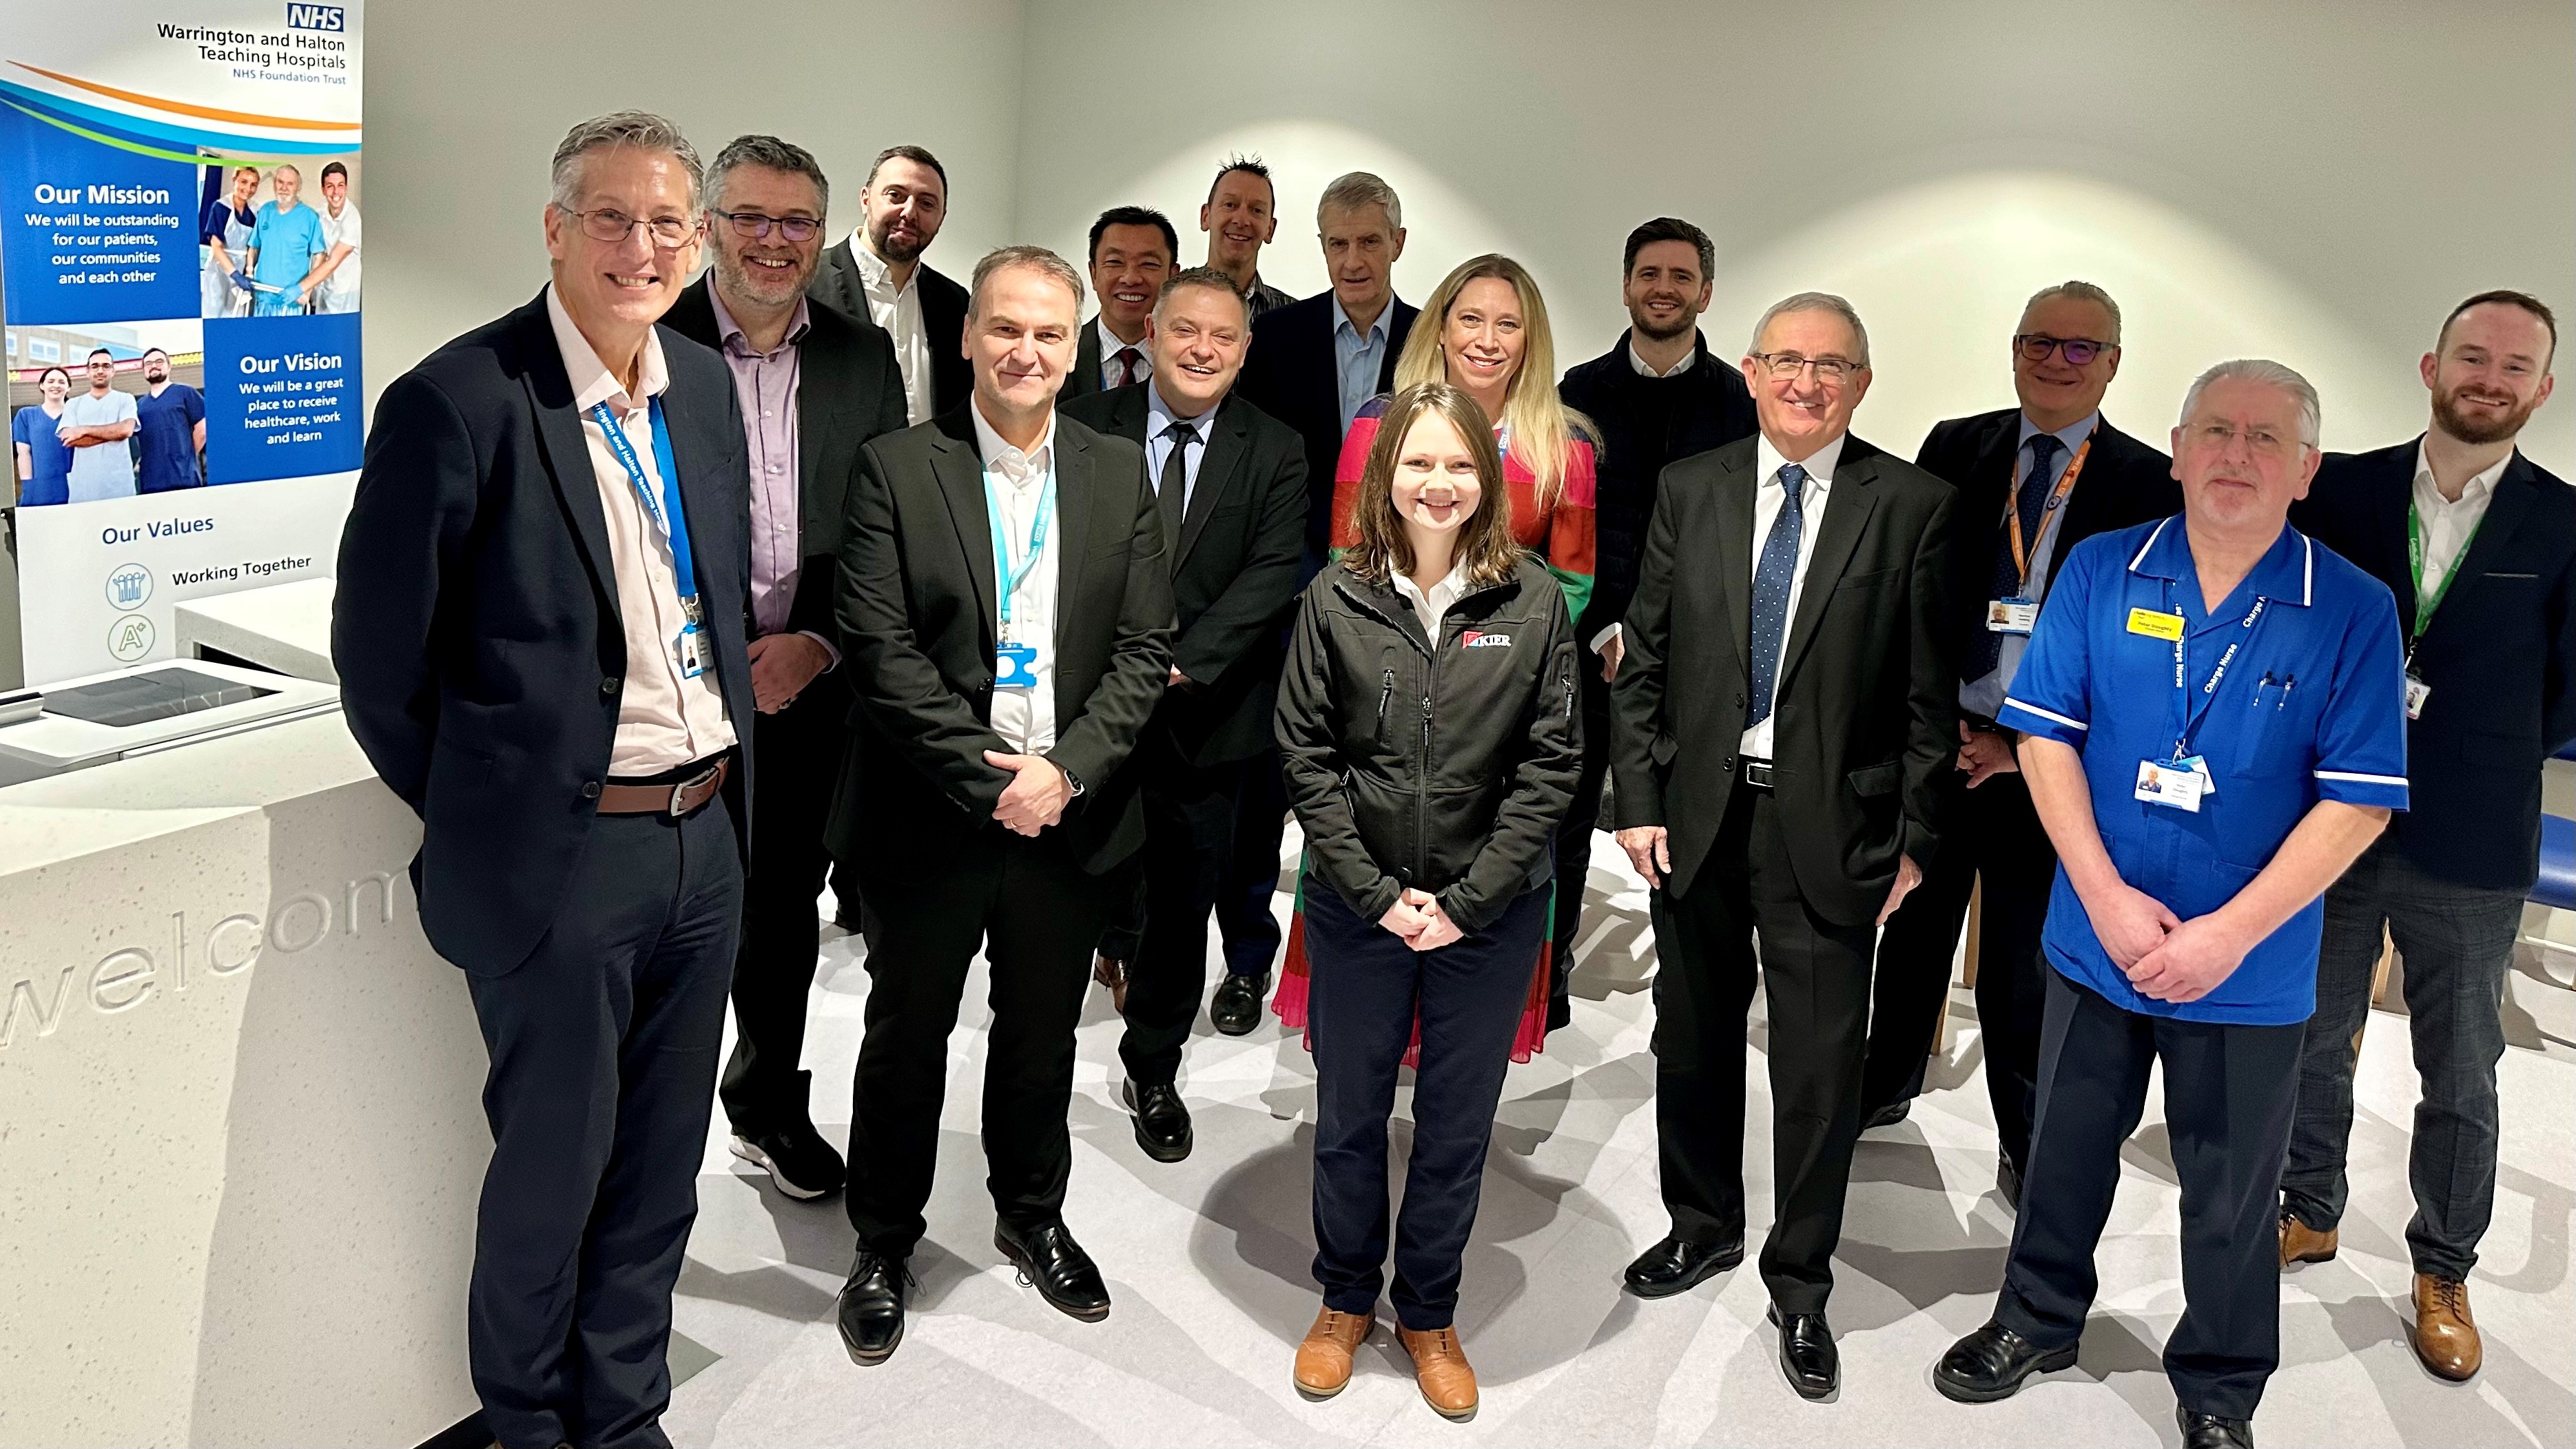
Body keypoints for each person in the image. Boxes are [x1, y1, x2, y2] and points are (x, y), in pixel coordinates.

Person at [331, 112, 754, 1449]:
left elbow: (716, 609)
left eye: (666, 222)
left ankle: (623, 1412)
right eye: (612, 218)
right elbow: (377, 659)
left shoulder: (700, 382)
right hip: (568, 861)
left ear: (695, 243)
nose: (641, 246)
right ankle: (526, 1426)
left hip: (706, 836)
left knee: (659, 1171)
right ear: (558, 229)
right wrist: (494, 803)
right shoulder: (459, 400)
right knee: (553, 1175)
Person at [1935, 360, 2408, 1449]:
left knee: (2230, 1187)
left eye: (2262, 439)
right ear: (2178, 446)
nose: (2234, 455)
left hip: (2247, 965)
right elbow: (2043, 735)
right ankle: (2036, 1315)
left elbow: (2358, 803)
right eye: (2214, 431)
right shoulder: (2104, 568)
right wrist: (2100, 896)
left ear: (2305, 470)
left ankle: (2218, 1381)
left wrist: (2225, 933)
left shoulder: (2349, 607)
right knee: (2061, 1145)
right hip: (2095, 937)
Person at [827, 245, 1171, 1365]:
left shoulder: (1118, 474)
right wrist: (993, 782)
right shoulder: (893, 467)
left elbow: (1141, 650)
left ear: (1074, 350)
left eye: (1049, 333)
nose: (1026, 350)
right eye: (1005, 328)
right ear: (968, 336)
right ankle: (883, 1240)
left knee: (1038, 1039)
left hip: (1067, 817)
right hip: (930, 818)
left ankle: (1030, 1215)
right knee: (906, 1036)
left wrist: (1062, 773)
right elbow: (879, 655)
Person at [1610, 293, 1955, 1401]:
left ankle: (1799, 1279)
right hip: (1699, 819)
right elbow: (1645, 660)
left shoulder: (1910, 504)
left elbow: (1924, 697)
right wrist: (1636, 797)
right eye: (1786, 362)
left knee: (1815, 1068)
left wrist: (1911, 838)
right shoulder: (1689, 487)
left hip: (1832, 829)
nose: (1805, 382)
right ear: (1749, 372)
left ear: (1860, 383)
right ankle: (1700, 1222)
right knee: (1692, 1038)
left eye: (1830, 366)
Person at [2278, 290, 2574, 1382]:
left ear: (2539, 389)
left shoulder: (2562, 521)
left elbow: (2566, 696)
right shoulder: (2342, 491)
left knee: (2459, 1066)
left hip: (2473, 834)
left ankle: (2441, 1265)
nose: (2488, 377)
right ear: (2428, 365)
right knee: (2309, 1029)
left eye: (2514, 364)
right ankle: (2305, 1205)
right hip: (2331, 819)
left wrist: (2473, 750)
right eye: (2471, 355)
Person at [1275, 380, 1579, 1419]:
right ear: (1384, 477)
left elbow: (1550, 767)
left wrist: (1465, 898)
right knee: (1349, 1116)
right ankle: (1343, 1297)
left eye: (1457, 465)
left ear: (1484, 480)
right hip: (1358, 910)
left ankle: (1428, 1310)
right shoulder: (1336, 596)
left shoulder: (1532, 601)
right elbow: (1305, 757)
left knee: (1455, 1125)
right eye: (1417, 463)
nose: (1436, 482)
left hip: (1486, 916)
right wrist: (1373, 893)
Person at [1857, 282, 2181, 1202]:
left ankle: (2021, 1129)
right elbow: (1915, 594)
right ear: (2012, 349)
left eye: (2080, 348)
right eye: (2038, 341)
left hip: (2050, 765)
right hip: (1945, 740)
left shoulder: (2148, 483)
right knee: (1912, 930)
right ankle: (1883, 1084)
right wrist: (1936, 723)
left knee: (2018, 967)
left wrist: (2024, 745)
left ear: (2111, 363)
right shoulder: (1954, 445)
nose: (2056, 360)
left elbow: (2142, 650)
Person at [661, 134, 910, 1202]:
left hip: (810, 688)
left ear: (822, 232)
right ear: (711, 226)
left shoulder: (860, 358)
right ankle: (650, 1122)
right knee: (668, 917)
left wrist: (819, 643)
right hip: (669, 689)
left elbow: (883, 528)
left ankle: (763, 1101)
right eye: (751, 219)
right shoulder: (649, 340)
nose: (773, 242)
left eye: (795, 222)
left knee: (780, 914)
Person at [1275, 254, 1596, 1055]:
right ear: (1440, 328)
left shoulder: (1567, 443)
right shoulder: (1376, 426)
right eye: (1470, 319)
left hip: (1501, 699)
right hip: (1384, 693)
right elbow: (1347, 556)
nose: (1487, 339)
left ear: (1532, 339)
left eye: (1508, 323)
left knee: (1492, 897)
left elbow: (1572, 581)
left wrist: (1486, 660)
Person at [1062, 267, 1308, 1161]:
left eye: (1223, 337)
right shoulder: (1086, 423)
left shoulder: (1276, 448)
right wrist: (1113, 668)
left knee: (1178, 908)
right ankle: (1036, 1062)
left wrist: (1177, 663)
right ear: (1151, 334)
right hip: (1087, 713)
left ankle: (1153, 1066)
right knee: (1064, 893)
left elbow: (1274, 570)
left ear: (1243, 351)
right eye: (1185, 332)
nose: (1202, 349)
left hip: (1206, 718)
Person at [1217, 172, 1420, 1016]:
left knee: (1382, 789)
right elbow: (1257, 472)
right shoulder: (1281, 336)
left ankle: (1374, 962)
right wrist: (1299, 581)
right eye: (1336, 243)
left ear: (1397, 245)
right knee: (1264, 787)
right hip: (1292, 596)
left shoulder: (1429, 341)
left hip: (1406, 606)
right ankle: (1245, 960)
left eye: (1369, 241)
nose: (1352, 258)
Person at [1556, 216, 1759, 1029]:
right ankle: (1549, 972)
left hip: (1696, 662)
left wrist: (1667, 641)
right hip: (1584, 651)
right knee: (1564, 819)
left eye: (1680, 276)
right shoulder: (1575, 394)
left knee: (1691, 832)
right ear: (1627, 284)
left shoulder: (1741, 405)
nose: (1663, 289)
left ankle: (1685, 989)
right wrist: (1605, 628)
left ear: (1705, 292)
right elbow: (1567, 527)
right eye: (1649, 274)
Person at [810, 145, 969, 426]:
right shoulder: (809, 284)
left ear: (942, 218)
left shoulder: (954, 302)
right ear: (865, 199)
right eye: (896, 195)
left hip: (923, 467)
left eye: (927, 203)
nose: (909, 212)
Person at [1065, 206, 1177, 398]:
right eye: (1115, 262)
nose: (1131, 279)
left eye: (1149, 264)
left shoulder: (1188, 361)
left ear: (1172, 276)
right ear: (1094, 274)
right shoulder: (1061, 354)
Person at [1199, 156, 1293, 318]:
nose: (1242, 221)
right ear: (1205, 217)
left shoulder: (1295, 318)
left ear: (1270, 229)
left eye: (1256, 210)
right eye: (1230, 205)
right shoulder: (1166, 301)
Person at [243, 164, 329, 316]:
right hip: (262, 297)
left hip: (291, 302)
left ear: (298, 188)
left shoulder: (309, 217)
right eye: (280, 182)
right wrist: (249, 273)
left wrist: (307, 290)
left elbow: (319, 256)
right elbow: (254, 247)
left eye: (290, 184)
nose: (284, 187)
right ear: (274, 184)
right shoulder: (265, 211)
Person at [58, 349, 138, 503]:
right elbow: (70, 440)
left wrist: (83, 430)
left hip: (119, 487)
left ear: (113, 371)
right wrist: (115, 433)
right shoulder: (73, 404)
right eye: (95, 366)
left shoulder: (126, 399)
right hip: (84, 488)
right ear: (87, 371)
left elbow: (127, 430)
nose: (100, 370)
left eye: (106, 366)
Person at [132, 348, 207, 494]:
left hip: (183, 479)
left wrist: (186, 455)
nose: (153, 366)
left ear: (169, 366)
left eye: (159, 361)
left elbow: (202, 429)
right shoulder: (140, 405)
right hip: (150, 482)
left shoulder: (185, 393)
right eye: (148, 363)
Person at [200, 165, 258, 318]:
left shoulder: (255, 211)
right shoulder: (221, 207)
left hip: (243, 272)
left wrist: (248, 272)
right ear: (235, 181)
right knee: (213, 315)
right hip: (219, 270)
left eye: (254, 185)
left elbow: (254, 245)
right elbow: (216, 246)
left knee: (237, 316)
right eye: (244, 182)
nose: (248, 188)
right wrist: (235, 274)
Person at [11, 366, 74, 507]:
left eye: (61, 382)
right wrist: (29, 487)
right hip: (39, 489)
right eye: (51, 381)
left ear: (68, 387)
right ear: (42, 385)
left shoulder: (77, 415)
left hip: (72, 488)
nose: (56, 385)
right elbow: (24, 454)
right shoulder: (26, 415)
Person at [311, 161, 362, 314]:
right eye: (330, 186)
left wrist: (304, 288)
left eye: (340, 185)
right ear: (323, 189)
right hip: (324, 290)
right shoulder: (320, 214)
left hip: (346, 295)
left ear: (346, 188)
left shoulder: (353, 219)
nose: (336, 192)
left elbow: (333, 261)